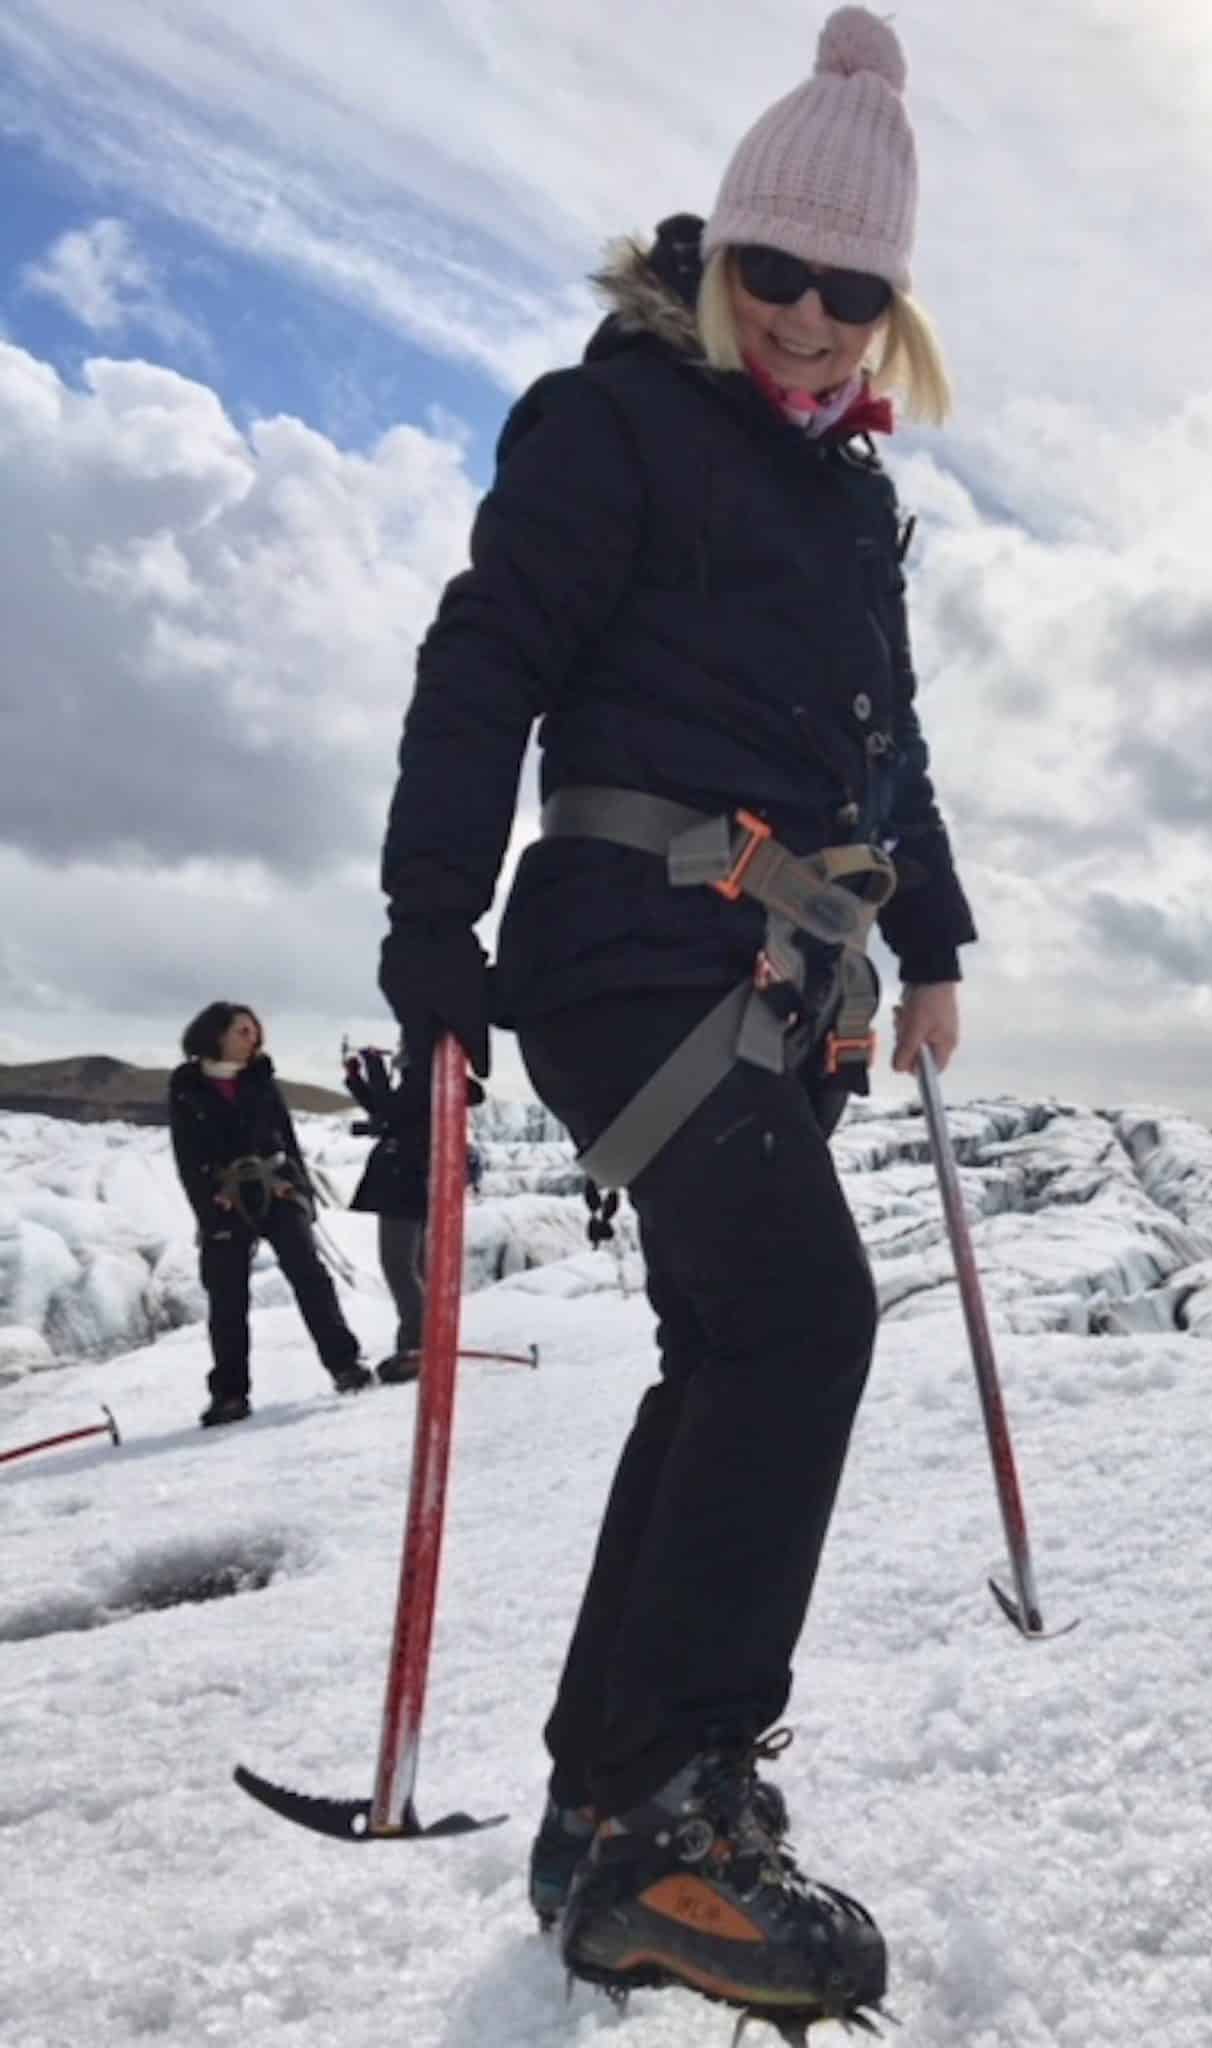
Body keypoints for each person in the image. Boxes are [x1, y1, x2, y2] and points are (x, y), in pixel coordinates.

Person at [378, 8, 974, 2031]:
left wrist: (941, 945)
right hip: (617, 952)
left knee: (731, 1339)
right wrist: (423, 916)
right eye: (779, 269)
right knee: (800, 1317)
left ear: (893, 306)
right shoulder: (611, 422)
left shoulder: (851, 507)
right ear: (720, 256)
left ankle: (599, 1802)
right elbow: (488, 659)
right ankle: (672, 1806)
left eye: (854, 288)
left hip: (778, 981)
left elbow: (894, 759)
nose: (810, 317)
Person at [169, 1003, 370, 1426]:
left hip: (277, 1188)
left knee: (310, 1277)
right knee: (227, 1297)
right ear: (217, 1034)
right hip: (223, 1198)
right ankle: (230, 1394)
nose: (253, 1039)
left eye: (255, 1032)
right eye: (243, 1031)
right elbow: (186, 1153)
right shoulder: (186, 1085)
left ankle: (345, 1365)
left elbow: (287, 1136)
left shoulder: (261, 1078)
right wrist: (208, 1206)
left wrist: (300, 1191)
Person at [343, 1041, 487, 1384]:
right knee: (419, 1265)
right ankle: (428, 1339)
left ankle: (416, 1346)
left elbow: (391, 1111)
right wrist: (358, 1080)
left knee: (399, 1266)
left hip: (402, 1181)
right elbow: (388, 1112)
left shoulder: (424, 1078)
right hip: (421, 1180)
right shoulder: (437, 1081)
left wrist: (371, 1070)